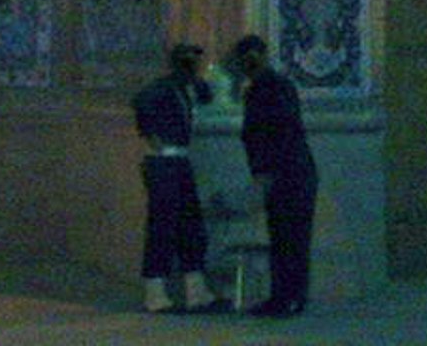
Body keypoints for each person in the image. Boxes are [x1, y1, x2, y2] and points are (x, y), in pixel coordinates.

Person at [228, 33, 317, 318]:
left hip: (285, 174)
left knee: (286, 238)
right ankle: (290, 297)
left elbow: (274, 133)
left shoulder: (265, 89)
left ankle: (286, 298)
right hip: (293, 172)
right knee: (290, 238)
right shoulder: (275, 86)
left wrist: (266, 173)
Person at [132, 41, 218, 312]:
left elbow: (206, 95)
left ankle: (196, 289)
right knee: (163, 225)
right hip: (164, 161)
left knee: (190, 223)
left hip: (179, 160)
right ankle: (155, 291)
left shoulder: (184, 88)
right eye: (189, 60)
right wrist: (151, 134)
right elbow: (141, 103)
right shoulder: (162, 88)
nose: (193, 65)